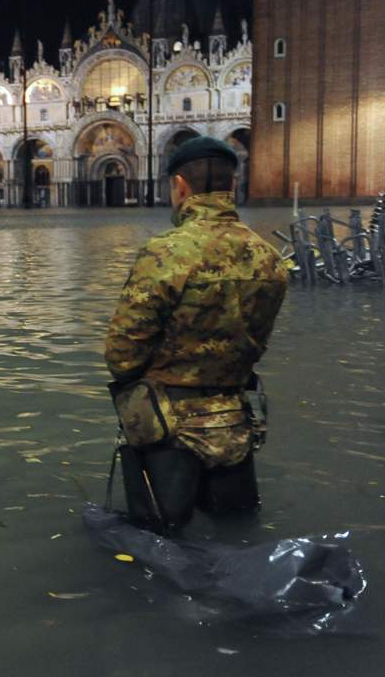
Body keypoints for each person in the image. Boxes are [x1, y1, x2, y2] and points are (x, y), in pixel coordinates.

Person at [105, 136, 288, 533]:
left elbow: (122, 355)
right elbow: (257, 344)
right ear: (232, 186)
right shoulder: (269, 257)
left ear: (180, 186)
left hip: (170, 432)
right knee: (237, 531)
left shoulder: (165, 252)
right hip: (236, 426)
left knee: (159, 545)